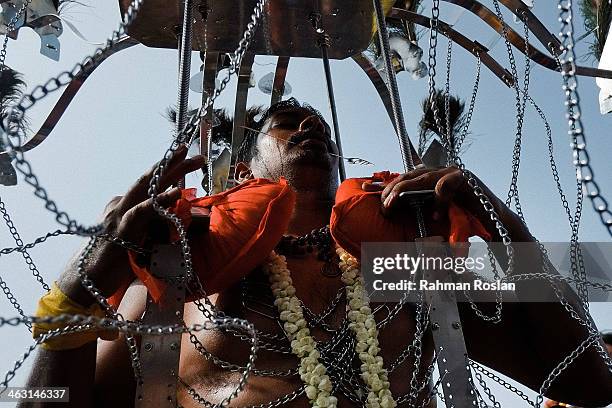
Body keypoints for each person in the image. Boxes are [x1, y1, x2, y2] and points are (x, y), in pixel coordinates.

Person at [20, 99, 612, 407]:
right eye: (285, 124)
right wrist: (83, 273)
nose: (309, 128)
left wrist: (508, 228)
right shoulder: (178, 269)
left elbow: (590, 380)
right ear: (245, 166)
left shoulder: (402, 262)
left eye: (322, 129)